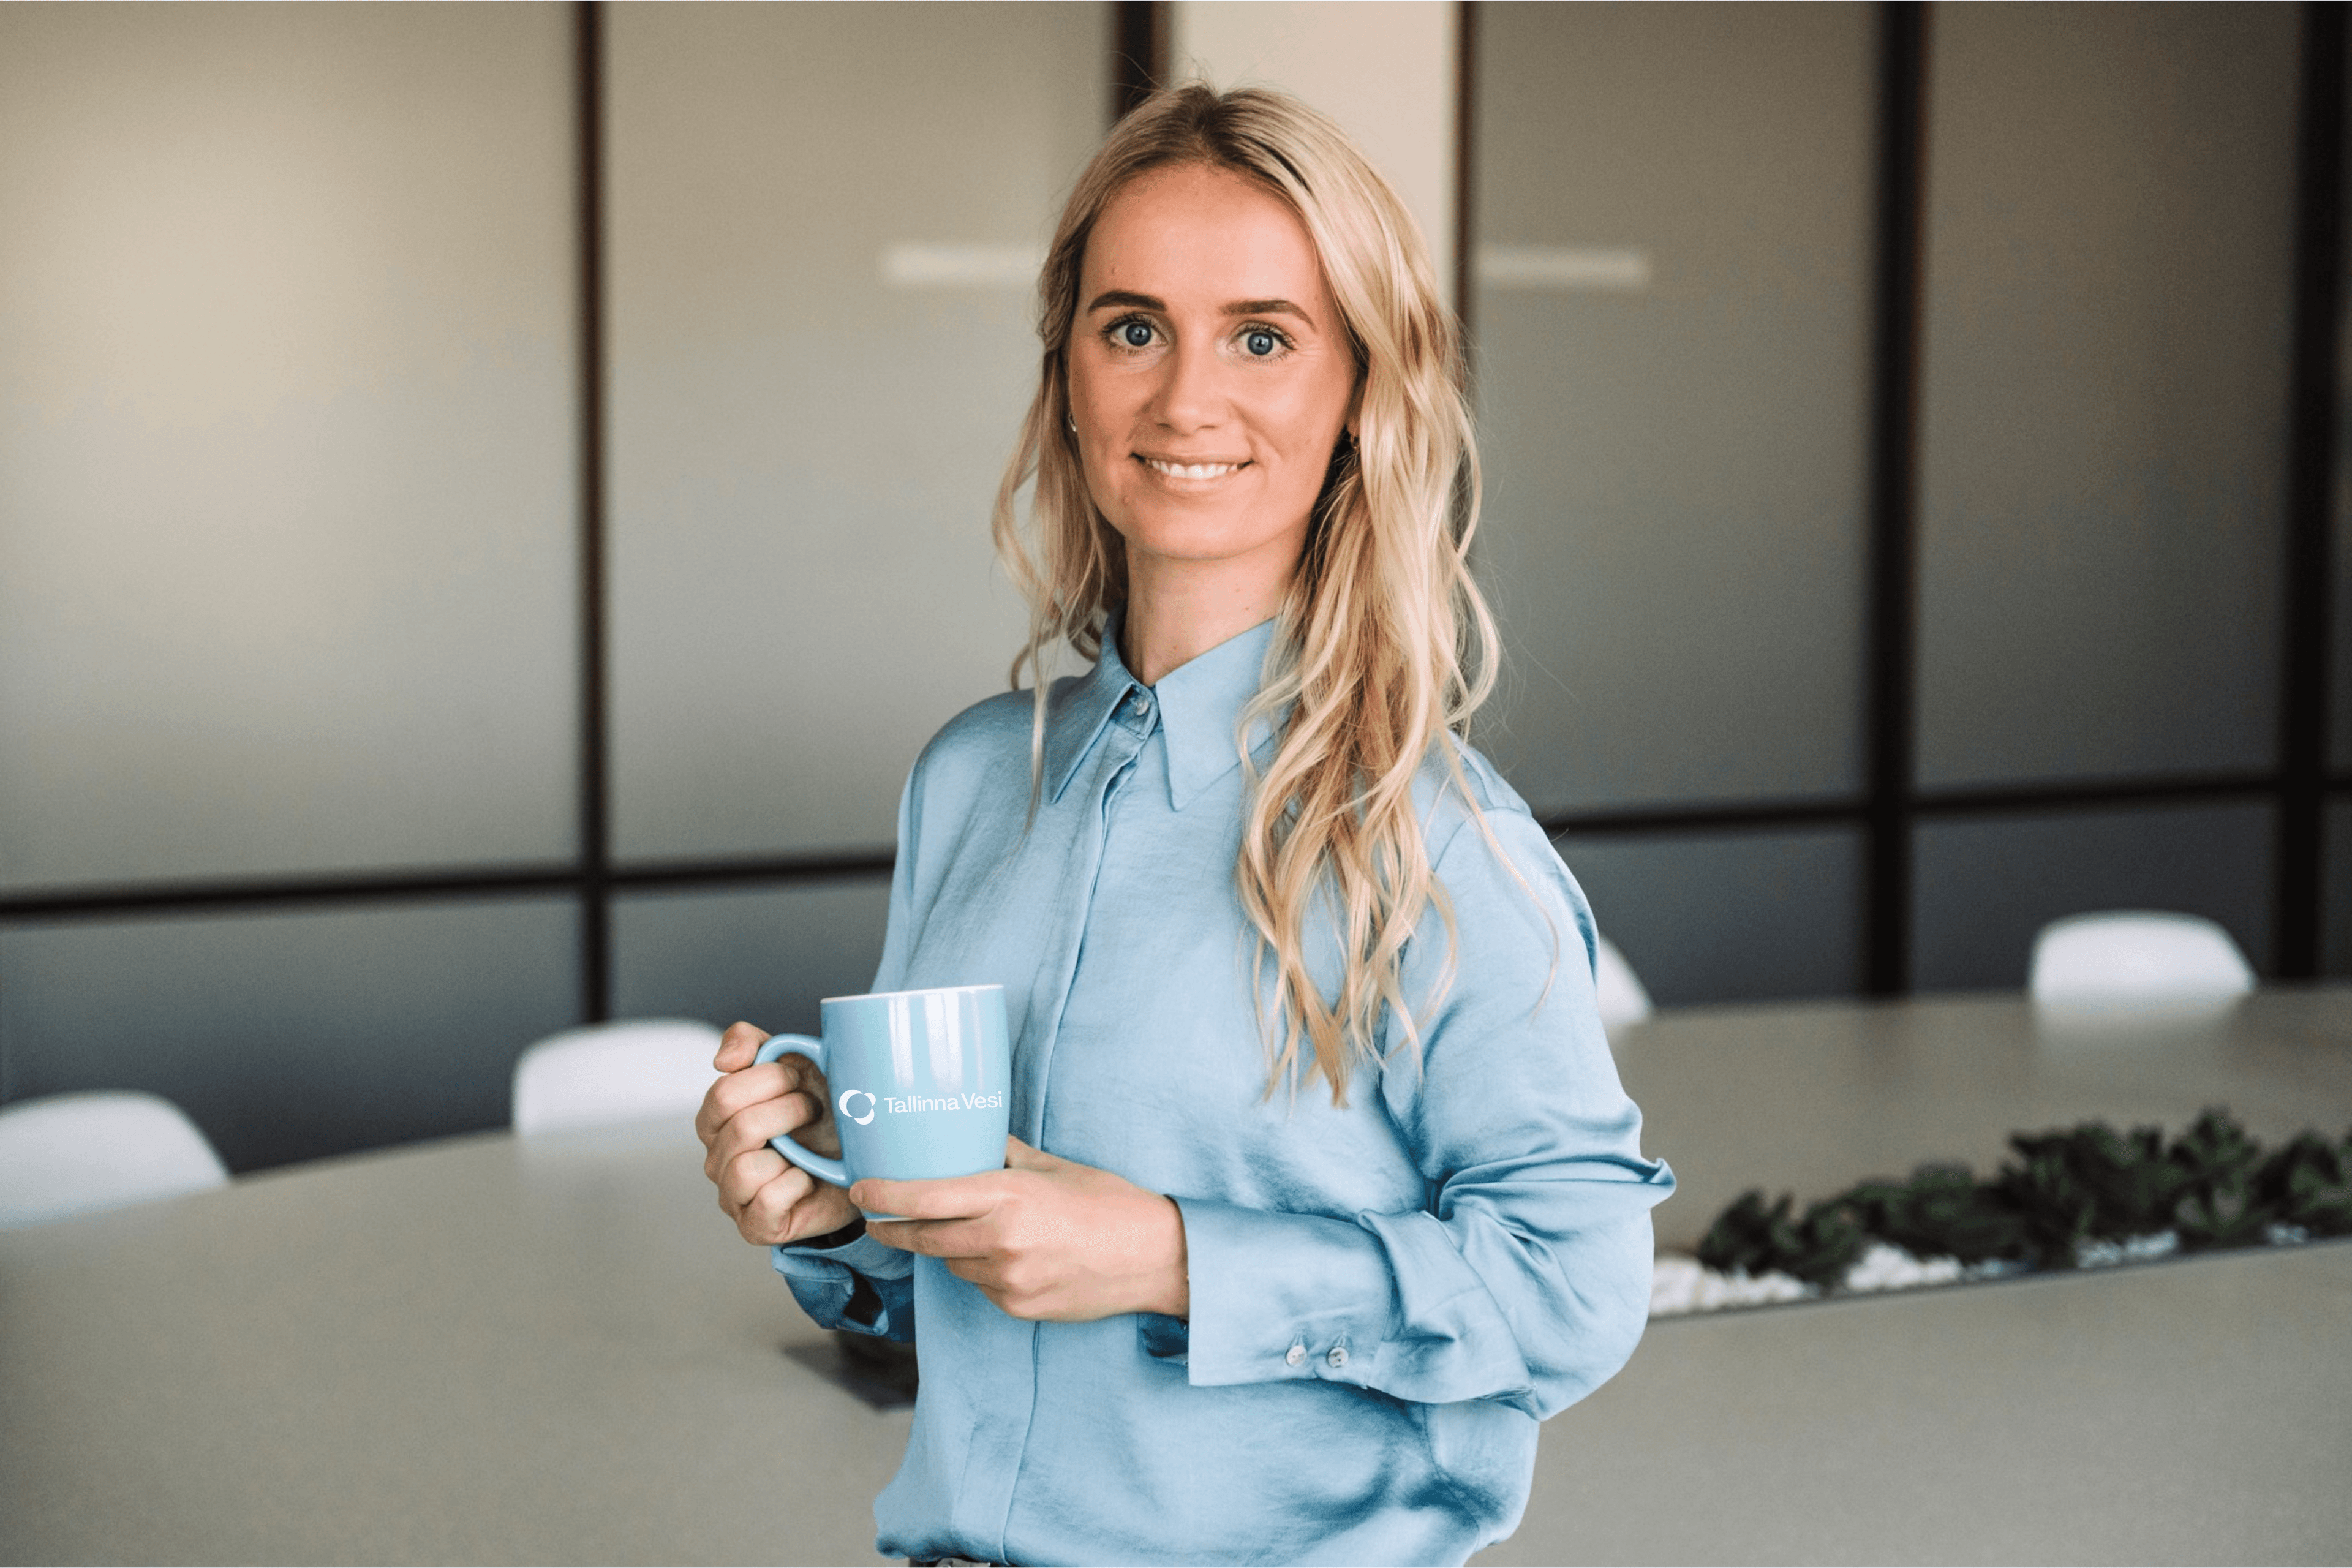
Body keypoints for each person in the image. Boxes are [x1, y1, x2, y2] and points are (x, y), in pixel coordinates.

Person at [695, 83, 1672, 1567]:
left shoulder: (1434, 838)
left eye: (1263, 337)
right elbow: (963, 1307)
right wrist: (834, 1211)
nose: (1184, 399)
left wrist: (1169, 1256)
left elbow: (1577, 1288)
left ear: (1357, 393)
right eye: (1132, 327)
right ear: (1069, 372)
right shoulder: (969, 782)